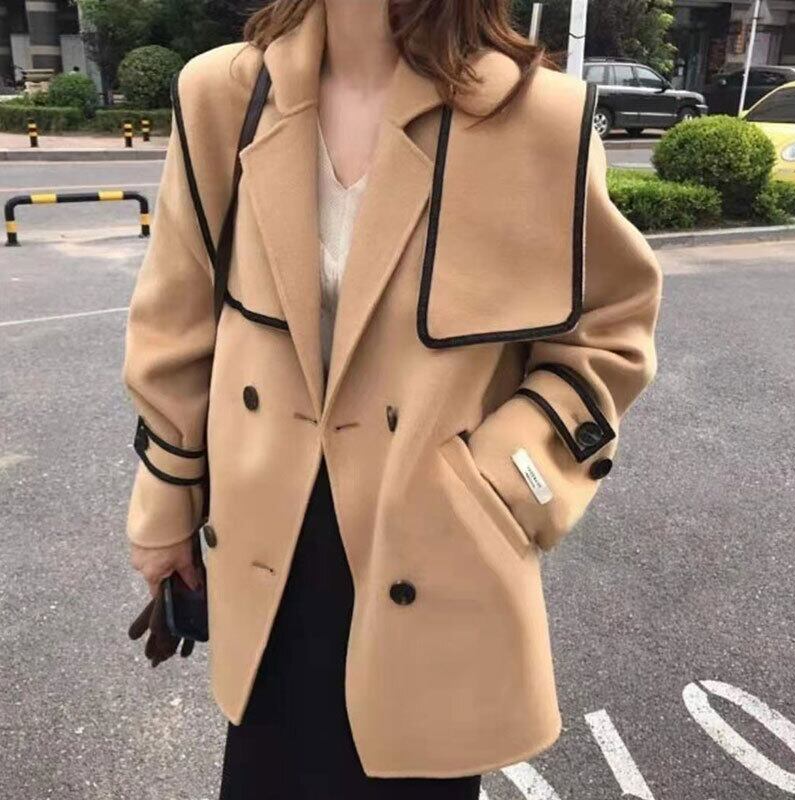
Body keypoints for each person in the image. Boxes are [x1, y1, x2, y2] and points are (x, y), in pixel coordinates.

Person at [121, 0, 663, 797]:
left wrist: (498, 485)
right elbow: (177, 318)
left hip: (438, 554)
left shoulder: (535, 117)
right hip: (269, 549)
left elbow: (611, 330)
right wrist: (166, 500)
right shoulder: (223, 96)